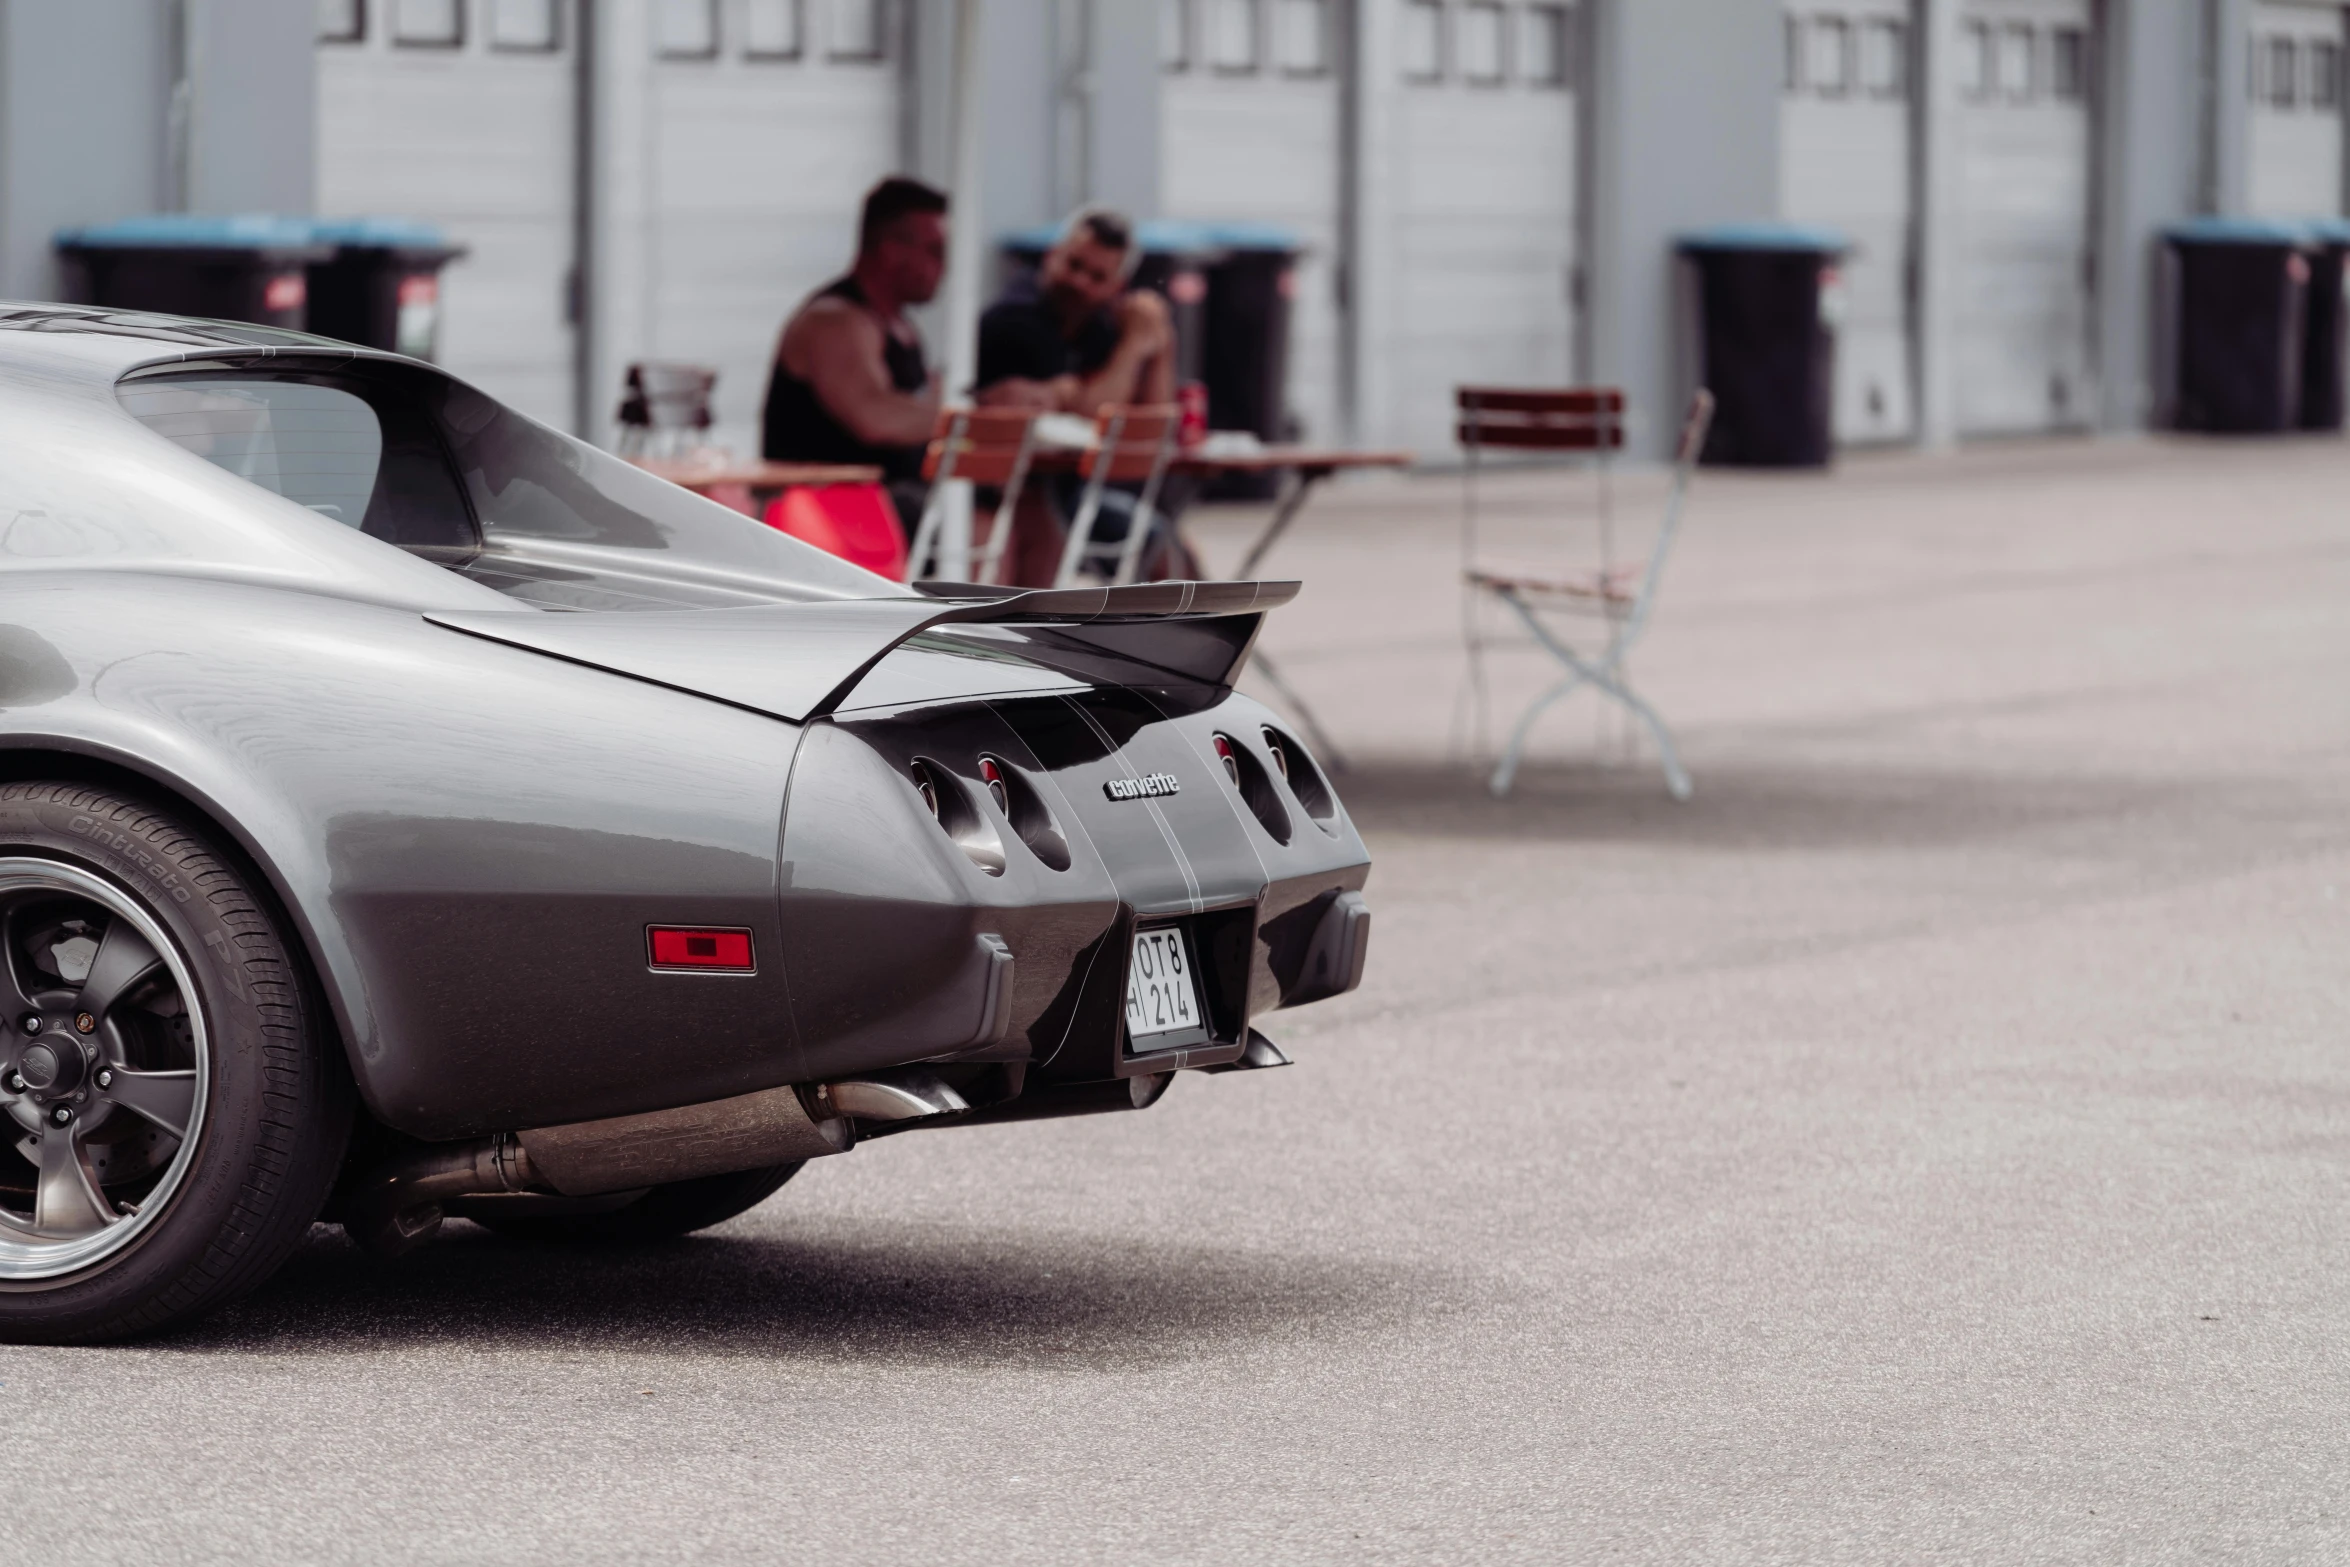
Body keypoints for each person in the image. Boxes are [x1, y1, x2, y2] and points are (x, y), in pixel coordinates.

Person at [973, 208, 1183, 585]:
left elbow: (1153, 424)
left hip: (1070, 489)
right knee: (1047, 536)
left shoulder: (1097, 324)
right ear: (1053, 256)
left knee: (1165, 546)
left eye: (1097, 276)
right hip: (1005, 488)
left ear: (1116, 287)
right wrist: (1134, 346)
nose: (1079, 281)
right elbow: (1097, 415)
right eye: (1074, 265)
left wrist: (1160, 340)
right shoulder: (1014, 317)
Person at [762, 176, 948, 543]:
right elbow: (875, 418)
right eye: (937, 251)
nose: (944, 267)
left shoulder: (900, 326)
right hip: (831, 510)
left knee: (1025, 507)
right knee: (976, 521)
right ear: (892, 249)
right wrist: (970, 421)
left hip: (890, 501)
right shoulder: (834, 322)